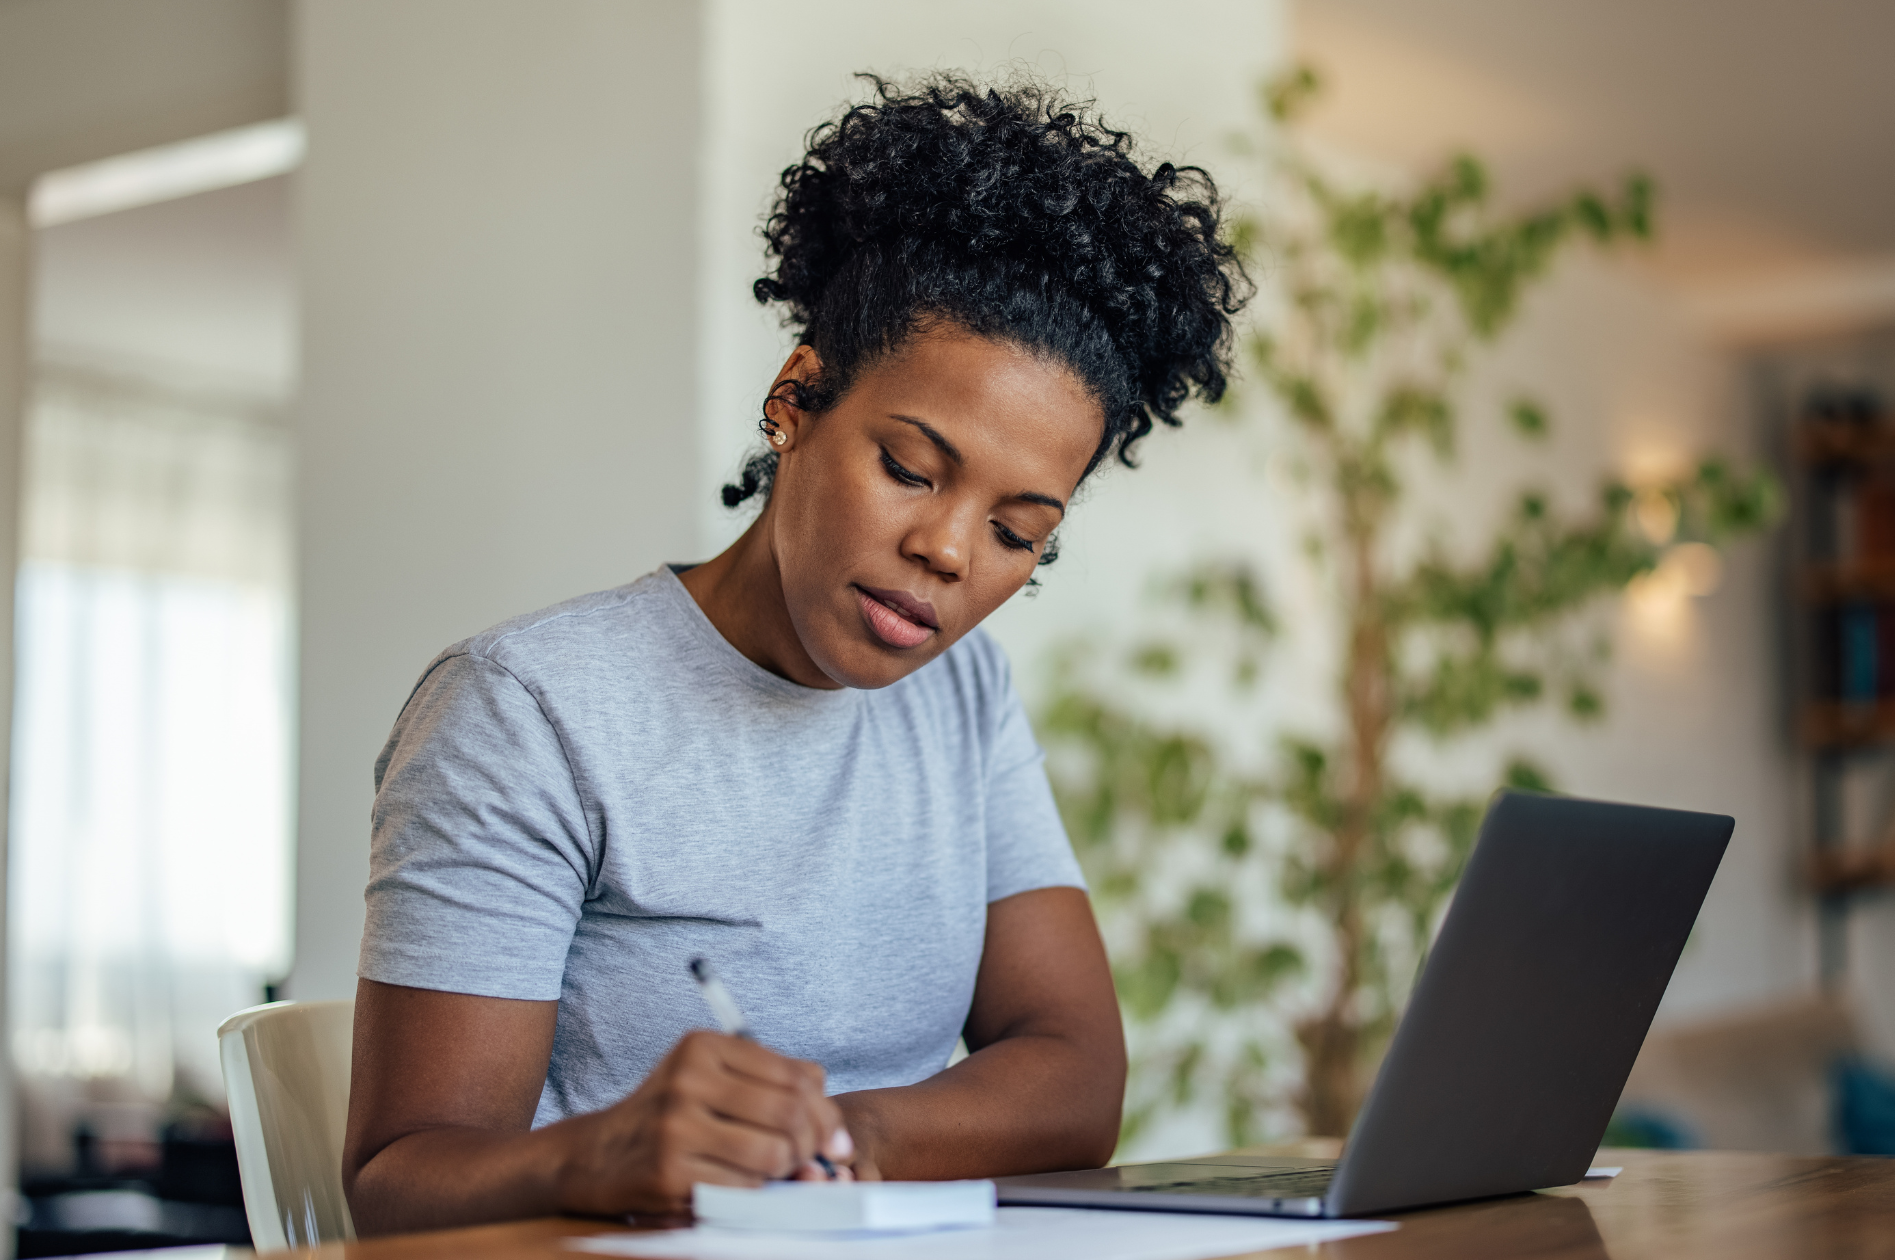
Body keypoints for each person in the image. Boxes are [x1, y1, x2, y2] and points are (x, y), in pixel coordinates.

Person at [339, 74, 1248, 1235]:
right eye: (912, 469)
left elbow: (1075, 1076)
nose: (948, 551)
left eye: (1019, 532)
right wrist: (597, 1157)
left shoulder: (960, 694)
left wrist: (836, 1144)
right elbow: (394, 1186)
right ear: (796, 399)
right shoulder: (529, 710)